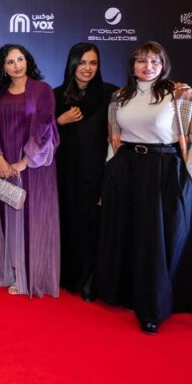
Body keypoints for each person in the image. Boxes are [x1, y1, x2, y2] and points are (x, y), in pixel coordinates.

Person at [96, 41, 192, 334]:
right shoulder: (119, 96)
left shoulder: (179, 93)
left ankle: (154, 307)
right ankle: (125, 294)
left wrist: (188, 177)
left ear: (163, 65)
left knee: (157, 241)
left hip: (164, 169)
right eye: (141, 61)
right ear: (132, 65)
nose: (148, 66)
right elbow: (114, 138)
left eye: (154, 61)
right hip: (126, 169)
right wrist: (109, 174)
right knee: (127, 234)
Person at [0, 44, 60, 298]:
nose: (17, 65)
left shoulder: (42, 90)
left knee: (33, 220)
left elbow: (45, 129)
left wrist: (24, 161)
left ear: (27, 61)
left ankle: (32, 276)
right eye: (10, 62)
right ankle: (13, 272)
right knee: (9, 217)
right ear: (3, 67)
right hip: (4, 165)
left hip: (35, 167)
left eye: (20, 59)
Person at [54, 43, 117, 299]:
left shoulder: (110, 94)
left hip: (96, 174)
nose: (87, 68)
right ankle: (68, 276)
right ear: (72, 64)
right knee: (68, 223)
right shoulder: (56, 96)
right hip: (64, 174)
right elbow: (41, 136)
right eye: (82, 62)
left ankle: (91, 281)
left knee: (93, 227)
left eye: (93, 63)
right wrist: (60, 121)